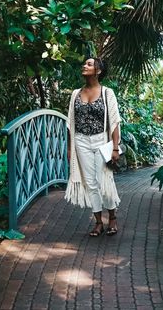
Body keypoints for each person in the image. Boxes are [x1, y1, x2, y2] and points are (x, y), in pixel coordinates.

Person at [65, 57, 121, 236]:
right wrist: (69, 148)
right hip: (81, 141)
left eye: (89, 64)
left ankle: (112, 217)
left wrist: (115, 147)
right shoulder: (75, 94)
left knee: (103, 179)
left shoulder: (107, 93)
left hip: (101, 141)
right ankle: (98, 222)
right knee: (90, 183)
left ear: (98, 71)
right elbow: (70, 123)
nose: (84, 66)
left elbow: (114, 122)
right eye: (85, 63)